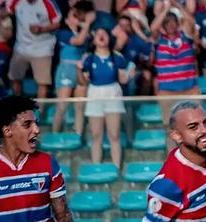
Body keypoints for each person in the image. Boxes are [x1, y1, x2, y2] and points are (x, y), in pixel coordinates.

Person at [80, 27, 130, 167]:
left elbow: (123, 79)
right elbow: (83, 81)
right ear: (94, 40)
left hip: (113, 94)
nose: (101, 36)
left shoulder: (117, 57)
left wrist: (129, 74)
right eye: (98, 34)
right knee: (96, 136)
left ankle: (116, 168)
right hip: (94, 94)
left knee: (114, 135)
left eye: (104, 33)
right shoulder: (88, 59)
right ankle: (96, 168)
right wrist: (79, 69)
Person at [151, 0, 201, 127]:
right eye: (167, 23)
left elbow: (192, 22)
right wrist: (166, 8)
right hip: (167, 92)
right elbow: (153, 28)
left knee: (195, 126)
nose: (171, 25)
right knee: (170, 129)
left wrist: (178, 5)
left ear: (178, 23)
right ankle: (172, 148)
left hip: (190, 90)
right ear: (163, 26)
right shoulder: (160, 41)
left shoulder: (186, 37)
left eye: (173, 21)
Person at [53, 0, 93, 135]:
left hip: (80, 71)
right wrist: (87, 23)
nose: (78, 18)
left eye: (79, 16)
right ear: (66, 19)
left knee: (80, 107)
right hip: (66, 70)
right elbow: (78, 41)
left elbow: (85, 46)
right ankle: (54, 135)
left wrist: (86, 25)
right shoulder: (63, 33)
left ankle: (78, 135)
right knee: (62, 106)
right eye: (74, 16)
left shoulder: (86, 34)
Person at [7, 0, 61, 100]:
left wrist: (41, 29)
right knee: (15, 79)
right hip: (21, 48)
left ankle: (39, 114)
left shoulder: (47, 3)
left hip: (43, 49)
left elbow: (57, 23)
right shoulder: (16, 1)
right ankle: (16, 110)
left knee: (42, 83)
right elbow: (8, 11)